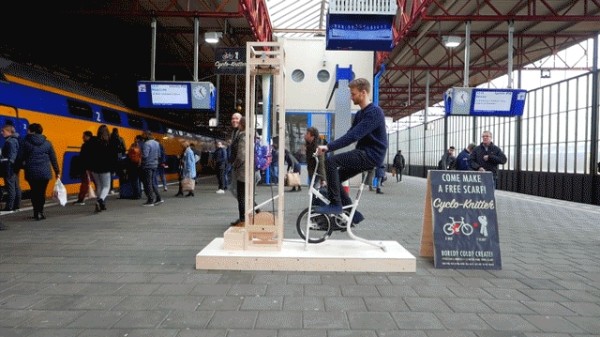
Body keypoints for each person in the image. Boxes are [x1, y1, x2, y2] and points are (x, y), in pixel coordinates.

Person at [315, 78, 387, 225]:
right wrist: (328, 146)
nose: (351, 97)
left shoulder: (374, 112)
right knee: (334, 177)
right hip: (364, 152)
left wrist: (328, 148)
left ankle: (336, 205)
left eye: (353, 94)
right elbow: (350, 133)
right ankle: (352, 214)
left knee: (331, 162)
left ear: (363, 92)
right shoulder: (361, 114)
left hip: (371, 155)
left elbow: (353, 136)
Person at [19, 123, 60, 220]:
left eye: (28, 130)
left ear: (32, 131)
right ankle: (40, 212)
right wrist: (57, 171)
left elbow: (20, 157)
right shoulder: (47, 143)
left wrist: (22, 166)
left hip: (31, 171)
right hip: (44, 171)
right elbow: (53, 158)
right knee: (41, 192)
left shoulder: (25, 142)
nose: (27, 131)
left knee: (34, 192)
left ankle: (36, 212)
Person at [89, 124, 118, 212]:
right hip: (105, 168)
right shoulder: (110, 142)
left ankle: (101, 205)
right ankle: (100, 200)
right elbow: (113, 157)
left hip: (95, 168)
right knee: (106, 187)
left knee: (99, 186)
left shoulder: (93, 140)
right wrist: (114, 169)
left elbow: (90, 154)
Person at [1, 124, 21, 213]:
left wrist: (8, 166)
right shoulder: (15, 140)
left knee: (11, 187)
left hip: (10, 167)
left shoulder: (10, 141)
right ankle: (16, 205)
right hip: (14, 167)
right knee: (16, 186)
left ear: (9, 132)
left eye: (3, 131)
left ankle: (9, 206)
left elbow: (11, 156)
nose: (2, 133)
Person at [230, 115, 246, 226]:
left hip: (242, 171)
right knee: (242, 195)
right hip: (243, 170)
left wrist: (235, 165)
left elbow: (241, 155)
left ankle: (243, 220)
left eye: (238, 120)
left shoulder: (243, 135)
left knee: (241, 195)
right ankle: (243, 218)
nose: (235, 122)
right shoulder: (239, 134)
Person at [141, 130, 163, 206]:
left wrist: (140, 155)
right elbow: (159, 155)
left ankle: (150, 200)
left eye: (143, 135)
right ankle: (158, 198)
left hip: (148, 165)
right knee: (152, 182)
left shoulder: (146, 144)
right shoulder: (157, 143)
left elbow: (145, 156)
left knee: (148, 183)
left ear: (147, 135)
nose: (142, 136)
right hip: (155, 165)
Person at [73, 130, 94, 205]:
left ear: (88, 137)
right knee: (97, 183)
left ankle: (81, 199)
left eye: (84, 136)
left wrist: (83, 167)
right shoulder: (95, 144)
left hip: (86, 167)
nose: (82, 137)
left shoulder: (86, 145)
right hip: (94, 167)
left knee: (84, 183)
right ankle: (101, 198)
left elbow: (84, 158)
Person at [109, 127, 126, 194]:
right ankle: (121, 187)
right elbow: (124, 149)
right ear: (117, 132)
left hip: (111, 158)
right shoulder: (120, 139)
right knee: (121, 174)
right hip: (119, 157)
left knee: (111, 174)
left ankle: (111, 189)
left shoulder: (110, 139)